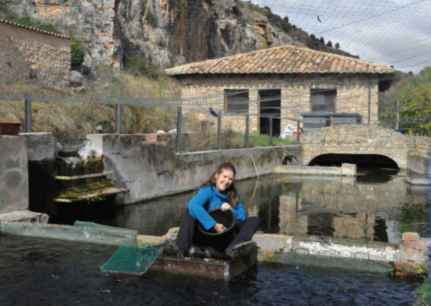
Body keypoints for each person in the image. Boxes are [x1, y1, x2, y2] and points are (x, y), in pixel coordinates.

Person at [167, 162, 260, 259]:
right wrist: (214, 225)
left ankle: (232, 250)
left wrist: (231, 210)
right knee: (190, 212)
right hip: (206, 235)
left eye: (230, 179)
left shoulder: (233, 196)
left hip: (224, 237)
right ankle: (181, 250)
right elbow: (193, 205)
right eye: (224, 176)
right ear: (217, 176)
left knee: (254, 220)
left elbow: (242, 218)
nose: (227, 181)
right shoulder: (208, 190)